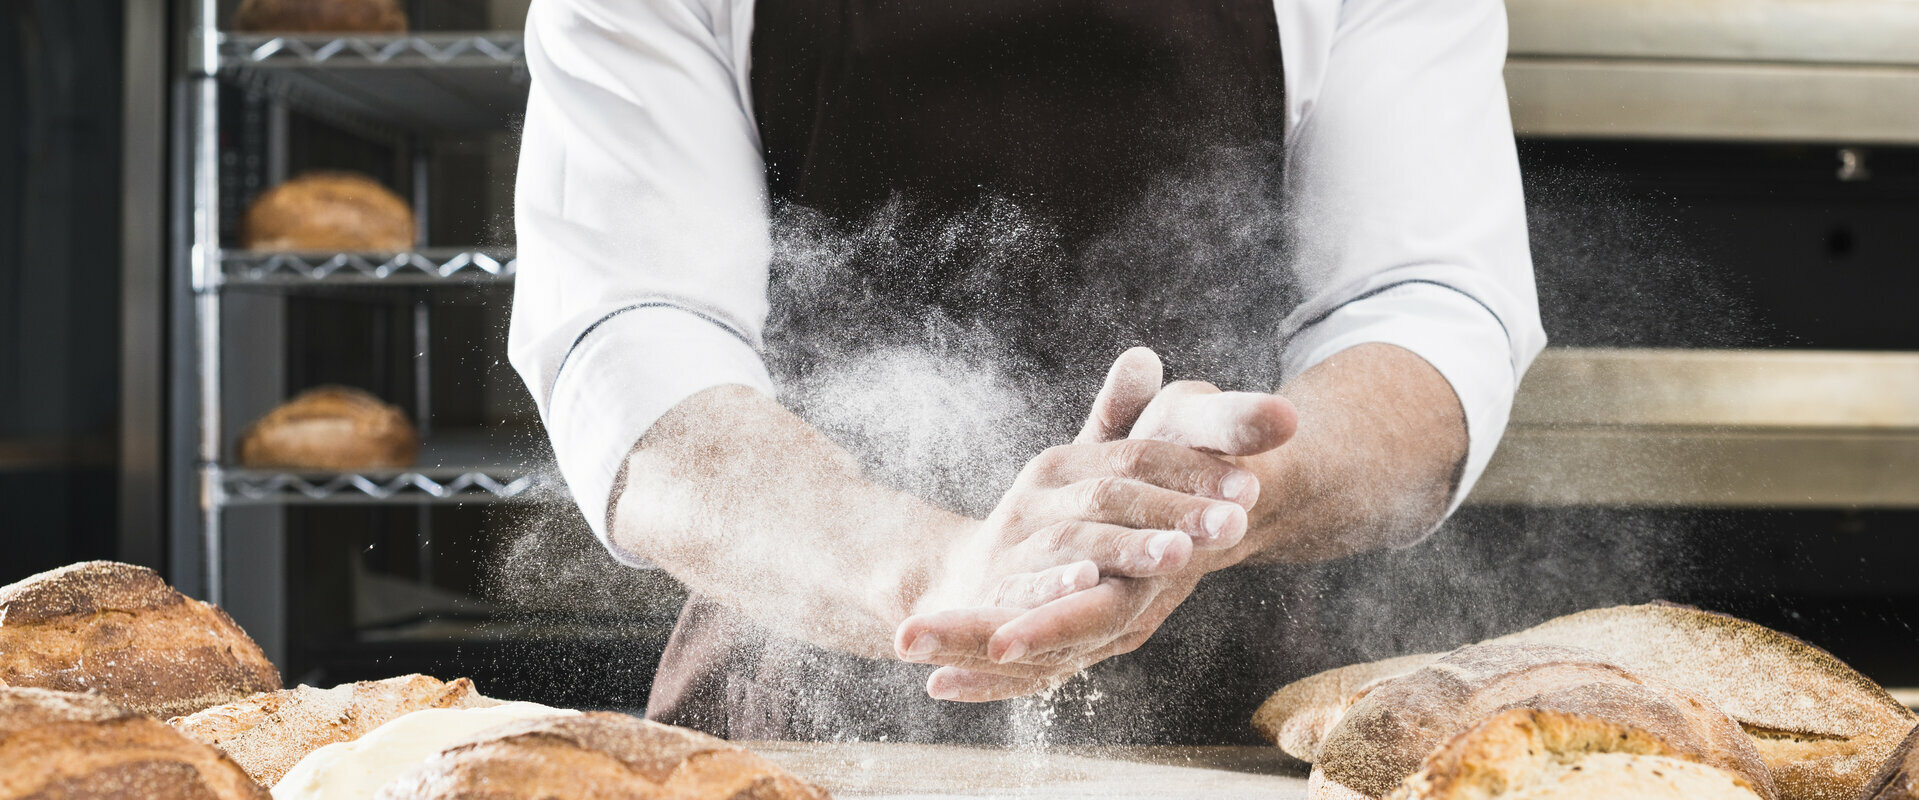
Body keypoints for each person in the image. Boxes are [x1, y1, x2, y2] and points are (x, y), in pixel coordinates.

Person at [509, 0, 1545, 744]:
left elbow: (1426, 308)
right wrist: (929, 570)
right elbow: (630, 338)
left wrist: (1210, 496)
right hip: (793, 705)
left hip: (1231, 717)